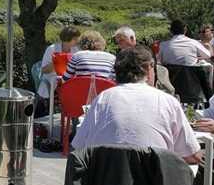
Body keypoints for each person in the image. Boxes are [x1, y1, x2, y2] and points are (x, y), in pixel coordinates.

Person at [73, 46, 202, 166]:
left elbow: (80, 147)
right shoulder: (167, 101)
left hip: (109, 184)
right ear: (149, 70)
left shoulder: (102, 99)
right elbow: (193, 156)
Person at [114, 25, 176, 95]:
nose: (119, 44)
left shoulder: (143, 53)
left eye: (122, 40)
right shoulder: (123, 54)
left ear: (132, 38)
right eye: (118, 42)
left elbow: (149, 76)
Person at [37, 26, 81, 107]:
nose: (77, 41)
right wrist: (57, 62)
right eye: (75, 38)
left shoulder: (75, 50)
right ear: (68, 38)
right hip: (53, 79)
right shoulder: (52, 49)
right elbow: (44, 70)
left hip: (69, 80)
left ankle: (72, 109)